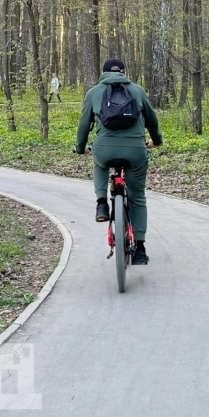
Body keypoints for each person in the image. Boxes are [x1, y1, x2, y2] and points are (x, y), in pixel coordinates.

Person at [74, 58, 162, 265]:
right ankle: (140, 249)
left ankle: (102, 203)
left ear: (103, 73)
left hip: (104, 148)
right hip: (136, 150)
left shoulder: (94, 92)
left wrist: (80, 148)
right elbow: (152, 119)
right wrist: (156, 141)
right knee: (138, 197)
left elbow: (83, 124)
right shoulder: (138, 90)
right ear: (124, 72)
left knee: (99, 161)